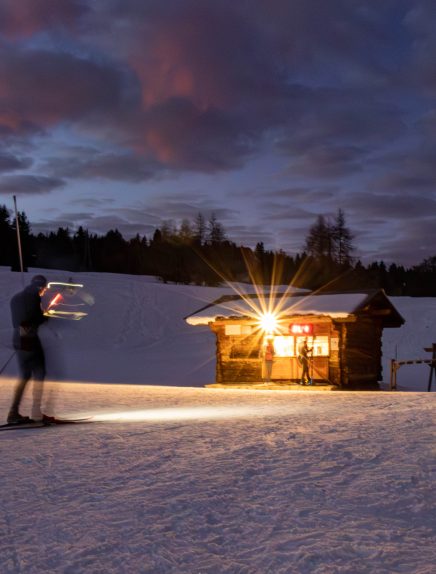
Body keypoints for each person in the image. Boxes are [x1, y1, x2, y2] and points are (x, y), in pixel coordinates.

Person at [7, 275, 51, 424]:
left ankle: (13, 412)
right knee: (39, 372)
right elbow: (36, 319)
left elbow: (17, 322)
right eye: (44, 288)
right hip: (29, 339)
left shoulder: (15, 298)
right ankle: (36, 411)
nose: (44, 291)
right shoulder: (34, 298)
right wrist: (45, 316)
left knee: (25, 376)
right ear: (41, 286)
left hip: (18, 338)